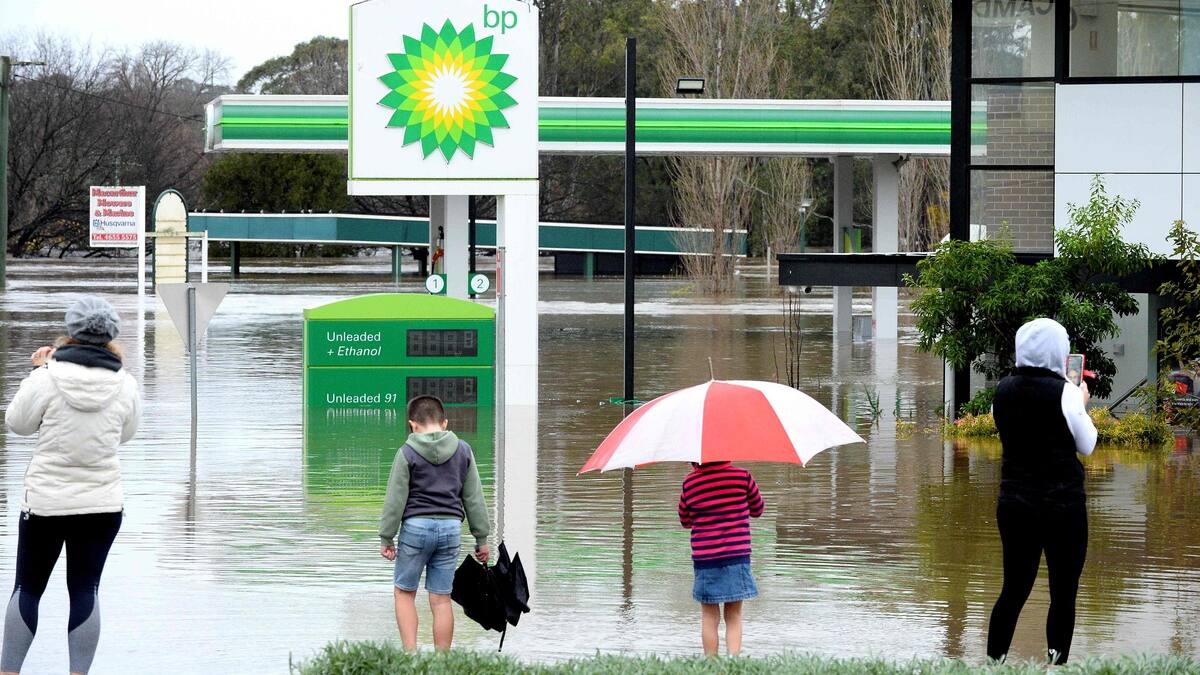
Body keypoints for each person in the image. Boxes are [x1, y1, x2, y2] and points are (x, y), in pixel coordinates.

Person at [2, 296, 141, 675]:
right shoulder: (126, 384)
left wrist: (36, 370)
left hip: (46, 504)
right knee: (85, 590)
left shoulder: (46, 377)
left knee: (27, 589)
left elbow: (17, 423)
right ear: (111, 335)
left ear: (72, 332)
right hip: (103, 505)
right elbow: (126, 435)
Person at [987, 318, 1098, 665]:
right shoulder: (1066, 392)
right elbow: (1088, 445)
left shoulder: (1002, 389)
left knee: (1013, 590)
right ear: (1059, 351)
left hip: (1014, 505)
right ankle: (1056, 666)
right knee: (1063, 594)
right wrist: (1081, 400)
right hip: (1062, 506)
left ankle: (995, 665)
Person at [379, 396, 490, 652]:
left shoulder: (406, 452)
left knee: (405, 594)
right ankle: (443, 663)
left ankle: (411, 657)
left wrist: (387, 537)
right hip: (451, 529)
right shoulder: (463, 450)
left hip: (416, 529)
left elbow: (395, 499)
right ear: (445, 422)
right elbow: (474, 498)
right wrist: (481, 539)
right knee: (441, 600)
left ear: (412, 425)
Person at [678, 461, 764, 656]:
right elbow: (758, 509)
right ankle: (733, 662)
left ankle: (711, 663)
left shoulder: (690, 483)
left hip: (705, 559)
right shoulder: (742, 477)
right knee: (733, 615)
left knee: (709, 616)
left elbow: (685, 520)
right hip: (737, 556)